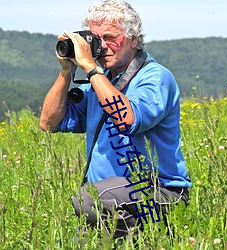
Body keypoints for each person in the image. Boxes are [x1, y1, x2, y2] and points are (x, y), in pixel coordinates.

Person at [40, 0, 192, 245]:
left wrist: (90, 67)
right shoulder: (99, 83)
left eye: (110, 37)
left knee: (88, 199)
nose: (102, 47)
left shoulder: (154, 77)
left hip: (159, 192)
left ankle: (150, 239)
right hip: (112, 200)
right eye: (96, 39)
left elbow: (127, 119)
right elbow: (49, 123)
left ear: (133, 38)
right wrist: (66, 70)